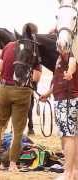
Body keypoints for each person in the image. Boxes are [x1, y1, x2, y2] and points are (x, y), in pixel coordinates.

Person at [0, 23, 42, 171]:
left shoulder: (9, 46)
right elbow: (36, 77)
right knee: (18, 130)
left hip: (4, 89)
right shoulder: (34, 49)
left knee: (0, 123)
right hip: (22, 92)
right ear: (34, 35)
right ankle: (12, 164)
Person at [40, 52, 78, 180]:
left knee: (68, 137)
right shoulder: (60, 57)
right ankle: (74, 171)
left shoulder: (71, 53)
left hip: (67, 100)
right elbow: (56, 79)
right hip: (66, 98)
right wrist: (48, 93)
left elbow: (73, 62)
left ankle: (68, 173)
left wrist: (70, 72)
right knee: (74, 136)